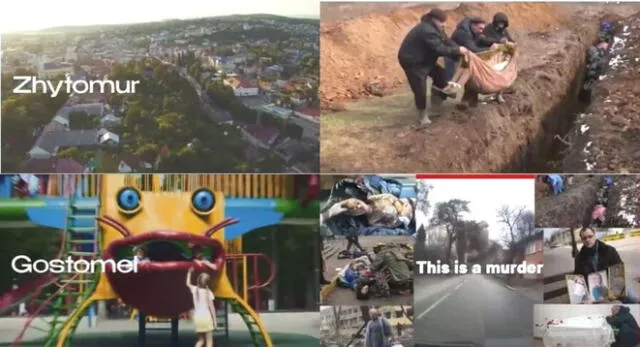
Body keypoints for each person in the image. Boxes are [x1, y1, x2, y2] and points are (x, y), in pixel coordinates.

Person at [398, 8, 468, 126]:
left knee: (441, 75)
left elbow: (447, 41)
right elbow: (439, 49)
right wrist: (457, 50)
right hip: (413, 62)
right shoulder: (426, 30)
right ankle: (423, 116)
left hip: (425, 60)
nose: (443, 24)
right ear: (433, 19)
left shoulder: (436, 28)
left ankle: (436, 104)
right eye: (441, 21)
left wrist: (458, 51)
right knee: (420, 88)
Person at [479, 12, 516, 103]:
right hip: (490, 56)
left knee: (503, 75)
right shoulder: (488, 29)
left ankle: (499, 94)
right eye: (499, 23)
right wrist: (497, 41)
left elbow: (510, 40)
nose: (501, 25)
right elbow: (483, 40)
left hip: (502, 57)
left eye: (503, 24)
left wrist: (511, 43)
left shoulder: (504, 31)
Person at [186, 268, 216, 347]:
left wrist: (189, 273)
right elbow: (212, 308)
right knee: (209, 341)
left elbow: (187, 284)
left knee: (201, 340)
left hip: (197, 318)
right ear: (208, 283)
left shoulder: (194, 289)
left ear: (198, 281)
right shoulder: (209, 293)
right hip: (206, 318)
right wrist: (215, 321)